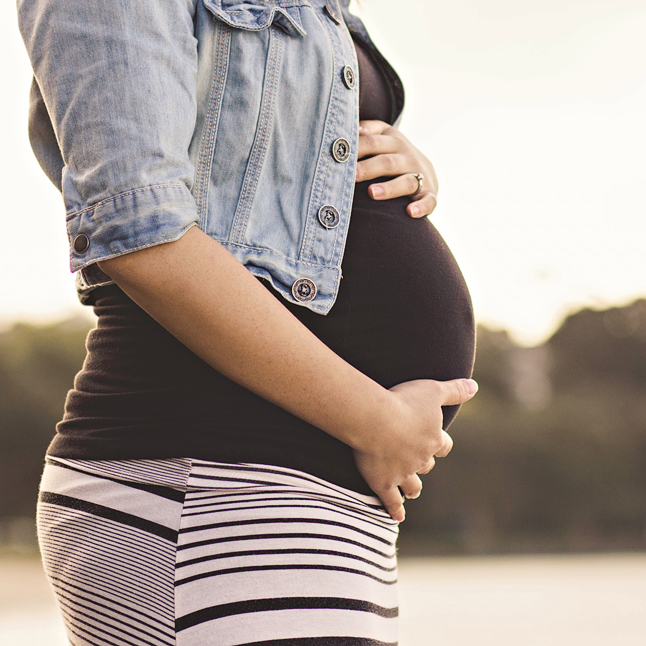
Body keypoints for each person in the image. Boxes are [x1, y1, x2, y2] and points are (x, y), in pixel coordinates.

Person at [17, 0, 477, 643]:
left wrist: (387, 154)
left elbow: (255, 158)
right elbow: (138, 234)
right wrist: (378, 421)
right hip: (206, 481)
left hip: (285, 490)